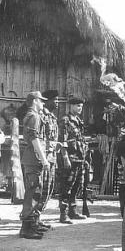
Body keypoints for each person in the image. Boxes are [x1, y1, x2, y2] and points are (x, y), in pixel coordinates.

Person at [19, 91, 49, 239]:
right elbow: (34, 139)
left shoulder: (31, 115)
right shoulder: (34, 116)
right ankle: (26, 229)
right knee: (32, 193)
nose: (43, 103)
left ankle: (31, 225)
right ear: (35, 101)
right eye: (41, 101)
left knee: (34, 192)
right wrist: (44, 159)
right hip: (33, 159)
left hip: (32, 159)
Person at [58, 97, 88, 223]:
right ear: (70, 106)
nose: (80, 108)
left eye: (81, 106)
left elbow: (81, 140)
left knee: (77, 186)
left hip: (79, 159)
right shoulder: (65, 121)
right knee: (66, 186)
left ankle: (73, 211)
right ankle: (63, 214)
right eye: (77, 106)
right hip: (69, 158)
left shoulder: (79, 121)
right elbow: (62, 141)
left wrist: (85, 158)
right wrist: (65, 157)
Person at [35, 90, 59, 229]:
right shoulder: (40, 116)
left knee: (48, 189)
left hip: (51, 158)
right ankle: (33, 220)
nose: (57, 103)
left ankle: (37, 218)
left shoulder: (52, 117)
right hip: (43, 158)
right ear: (47, 101)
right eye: (55, 100)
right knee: (40, 189)